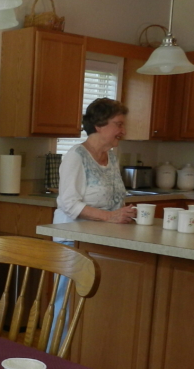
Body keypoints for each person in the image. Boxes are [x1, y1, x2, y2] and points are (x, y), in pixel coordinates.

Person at [50, 97, 136, 341]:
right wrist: (110, 216)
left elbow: (113, 199)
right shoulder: (76, 156)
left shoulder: (112, 158)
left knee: (95, 304)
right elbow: (68, 203)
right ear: (99, 125)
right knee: (66, 302)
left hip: (103, 241)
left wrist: (123, 214)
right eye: (118, 124)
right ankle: (56, 353)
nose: (123, 130)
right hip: (72, 241)